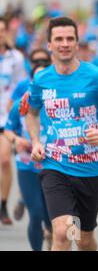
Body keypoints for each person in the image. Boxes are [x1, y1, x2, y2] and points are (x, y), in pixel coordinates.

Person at [26, 16, 98, 251]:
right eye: (59, 39)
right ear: (49, 45)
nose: (65, 43)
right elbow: (31, 114)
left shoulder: (96, 76)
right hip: (55, 166)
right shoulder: (41, 79)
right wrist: (35, 142)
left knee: (84, 239)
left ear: (77, 43)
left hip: (91, 170)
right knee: (62, 232)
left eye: (70, 38)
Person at [4, 63, 52, 251]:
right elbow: (8, 130)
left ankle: (52, 236)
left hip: (54, 167)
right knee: (36, 214)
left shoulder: (59, 102)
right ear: (31, 82)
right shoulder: (21, 103)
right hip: (27, 167)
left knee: (52, 218)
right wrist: (16, 140)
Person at [0, 16, 27, 225]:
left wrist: (16, 105)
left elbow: (22, 86)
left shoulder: (15, 58)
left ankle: (3, 204)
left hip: (4, 117)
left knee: (5, 160)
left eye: (2, 30)